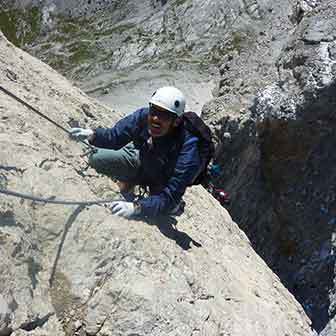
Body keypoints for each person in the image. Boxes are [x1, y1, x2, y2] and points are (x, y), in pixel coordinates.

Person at [70, 86, 202, 218]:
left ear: (177, 121)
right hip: (143, 159)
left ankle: (173, 205)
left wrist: (138, 207)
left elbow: (170, 195)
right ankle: (130, 181)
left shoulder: (189, 148)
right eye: (154, 110)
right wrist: (92, 135)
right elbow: (115, 136)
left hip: (164, 177)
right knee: (97, 157)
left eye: (165, 115)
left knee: (166, 207)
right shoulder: (143, 116)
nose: (156, 118)